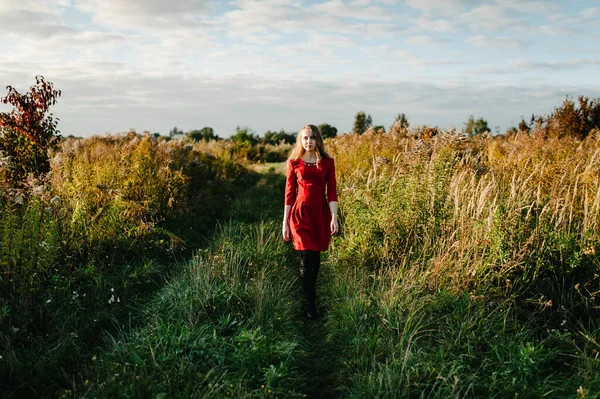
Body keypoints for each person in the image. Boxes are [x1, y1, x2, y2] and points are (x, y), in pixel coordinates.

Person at [282, 124, 338, 318]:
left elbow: (332, 192)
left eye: (312, 138)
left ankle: (310, 292)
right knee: (306, 258)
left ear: (318, 140)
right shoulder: (294, 163)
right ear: (301, 140)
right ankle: (310, 303)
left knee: (314, 259)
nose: (309, 141)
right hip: (300, 215)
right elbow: (289, 195)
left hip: (320, 215)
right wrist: (285, 223)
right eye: (305, 138)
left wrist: (334, 218)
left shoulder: (327, 162)